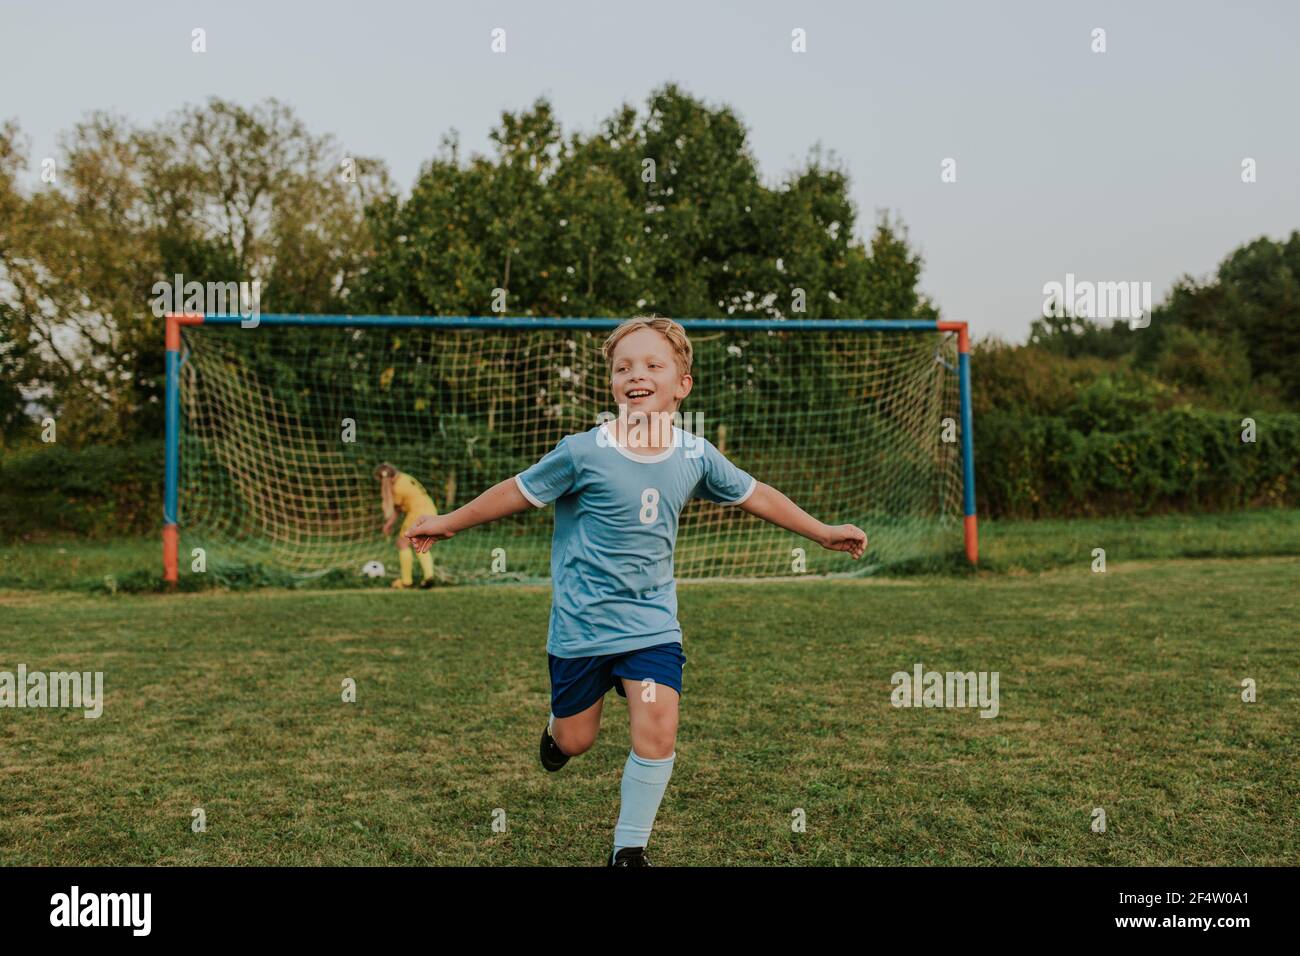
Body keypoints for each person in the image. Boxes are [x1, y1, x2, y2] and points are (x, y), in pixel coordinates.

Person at [405, 316, 866, 865]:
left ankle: (629, 850)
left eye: (652, 364)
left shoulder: (695, 454)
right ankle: (557, 734)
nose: (636, 375)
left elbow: (756, 495)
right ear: (612, 384)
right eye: (623, 367)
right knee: (578, 740)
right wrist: (451, 520)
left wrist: (823, 531)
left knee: (658, 725)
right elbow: (517, 491)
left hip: (650, 624)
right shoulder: (582, 452)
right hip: (582, 626)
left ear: (682, 385)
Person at [374, 463, 439, 589]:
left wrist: (388, 524)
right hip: (430, 509)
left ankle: (406, 581)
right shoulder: (404, 477)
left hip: (418, 513)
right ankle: (429, 576)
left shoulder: (397, 488)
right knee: (420, 544)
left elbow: (397, 510)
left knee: (402, 543)